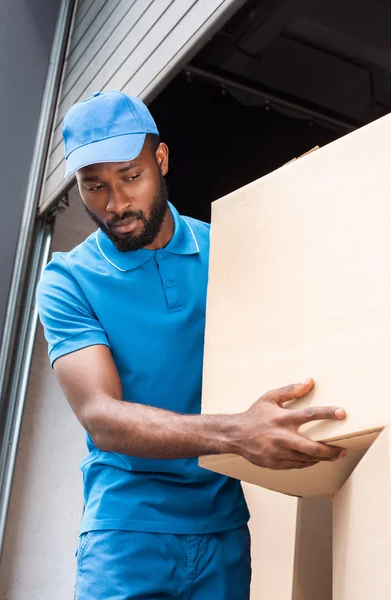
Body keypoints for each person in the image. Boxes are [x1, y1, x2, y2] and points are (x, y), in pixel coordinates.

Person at [36, 90, 346, 600]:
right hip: (126, 528)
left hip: (221, 525)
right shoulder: (68, 280)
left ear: (160, 160)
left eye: (130, 177)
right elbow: (100, 415)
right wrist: (236, 433)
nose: (116, 204)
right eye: (95, 187)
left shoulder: (226, 251)